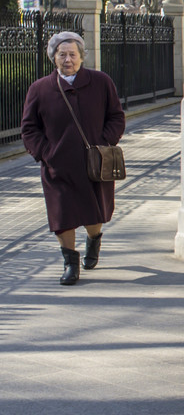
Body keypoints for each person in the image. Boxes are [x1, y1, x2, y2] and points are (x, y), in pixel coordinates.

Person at [21, 31, 126, 285]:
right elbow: (29, 128)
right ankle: (70, 263)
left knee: (95, 214)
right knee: (62, 216)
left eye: (72, 54)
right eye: (62, 54)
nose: (67, 59)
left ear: (81, 57)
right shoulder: (40, 89)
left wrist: (104, 142)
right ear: (53, 58)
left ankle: (94, 239)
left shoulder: (101, 82)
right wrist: (45, 153)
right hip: (57, 167)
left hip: (94, 164)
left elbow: (116, 117)